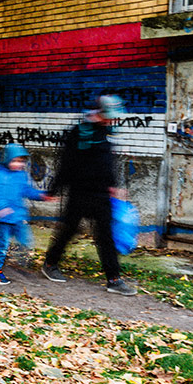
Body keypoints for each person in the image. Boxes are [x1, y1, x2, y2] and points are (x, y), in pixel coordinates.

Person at [41, 94, 137, 296]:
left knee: (106, 236)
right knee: (69, 230)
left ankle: (114, 279)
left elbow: (106, 162)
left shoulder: (107, 131)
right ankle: (50, 263)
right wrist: (54, 189)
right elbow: (66, 163)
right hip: (80, 192)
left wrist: (113, 186)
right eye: (109, 116)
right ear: (99, 113)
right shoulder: (79, 132)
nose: (113, 120)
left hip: (102, 194)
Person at [0, 143, 55, 285]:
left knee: (25, 242)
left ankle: (19, 265)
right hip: (3, 217)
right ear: (7, 159)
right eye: (14, 160)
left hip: (18, 216)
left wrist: (42, 196)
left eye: (21, 161)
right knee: (3, 245)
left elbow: (27, 191)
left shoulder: (21, 175)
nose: (18, 164)